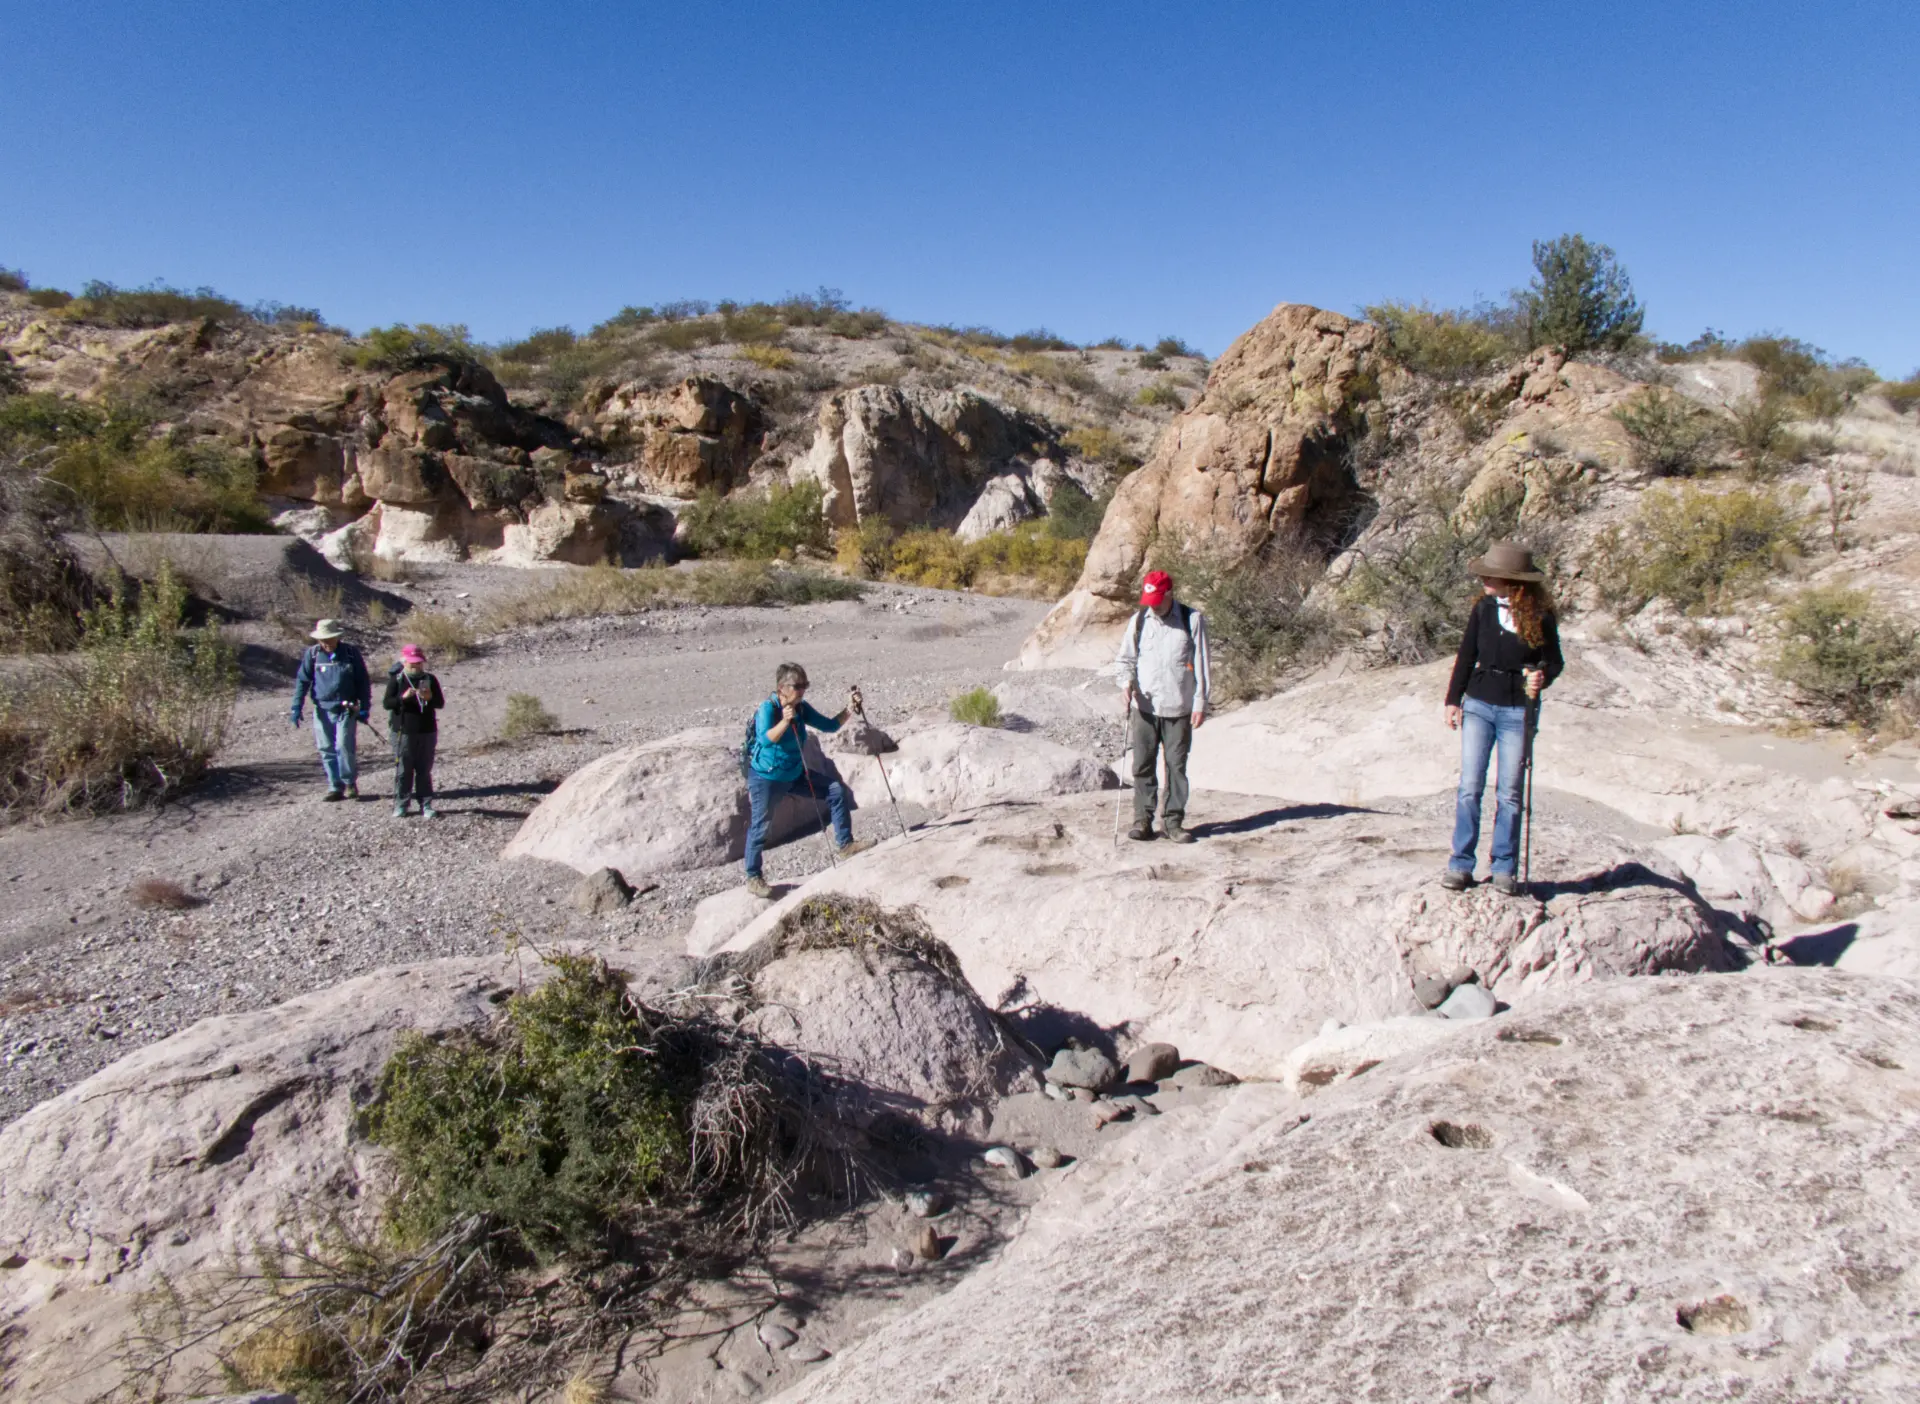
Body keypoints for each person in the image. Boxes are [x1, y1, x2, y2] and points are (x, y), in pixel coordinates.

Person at [1441, 541, 1564, 895]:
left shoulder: (1540, 616)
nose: (1484, 579)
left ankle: (1504, 867)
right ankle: (1461, 864)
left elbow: (1554, 660)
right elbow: (1466, 655)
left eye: (1491, 576)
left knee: (1510, 792)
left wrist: (1541, 675)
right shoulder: (1483, 609)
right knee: (1470, 787)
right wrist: (1453, 699)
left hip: (1516, 710)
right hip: (1479, 702)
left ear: (1514, 582)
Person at [742, 663, 874, 898]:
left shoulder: (801, 708)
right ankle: (753, 876)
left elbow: (829, 725)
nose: (802, 691)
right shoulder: (768, 709)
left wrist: (850, 709)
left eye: (805, 685)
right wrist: (784, 721)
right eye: (797, 686)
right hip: (767, 778)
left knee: (835, 790)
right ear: (781, 688)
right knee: (760, 825)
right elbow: (765, 739)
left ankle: (845, 844)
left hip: (794, 773)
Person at [1115, 569, 1211, 843]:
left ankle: (1172, 822)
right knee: (1142, 765)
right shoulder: (1139, 620)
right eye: (1149, 600)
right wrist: (1126, 683)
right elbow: (1125, 659)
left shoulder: (1192, 620)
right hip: (1144, 706)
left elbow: (1202, 663)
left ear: (1170, 594)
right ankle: (1142, 820)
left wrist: (1200, 702)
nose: (1153, 606)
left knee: (1176, 766)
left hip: (1179, 706)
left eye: (1158, 599)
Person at [290, 619, 371, 801]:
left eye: (329, 639)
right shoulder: (313, 655)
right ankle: (335, 786)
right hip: (322, 708)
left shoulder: (350, 654)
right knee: (326, 748)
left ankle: (349, 782)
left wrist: (365, 707)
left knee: (344, 746)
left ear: (337, 637)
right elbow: (303, 681)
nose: (326, 643)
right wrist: (297, 706)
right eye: (322, 640)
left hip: (346, 708)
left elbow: (363, 681)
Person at [384, 644, 444, 819]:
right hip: (403, 731)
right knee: (404, 769)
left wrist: (429, 698)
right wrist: (402, 699)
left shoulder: (430, 679)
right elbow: (387, 703)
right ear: (404, 662)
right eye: (412, 663)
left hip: (426, 730)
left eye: (418, 663)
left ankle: (426, 804)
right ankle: (401, 804)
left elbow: (440, 703)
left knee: (424, 769)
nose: (415, 666)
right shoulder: (397, 679)